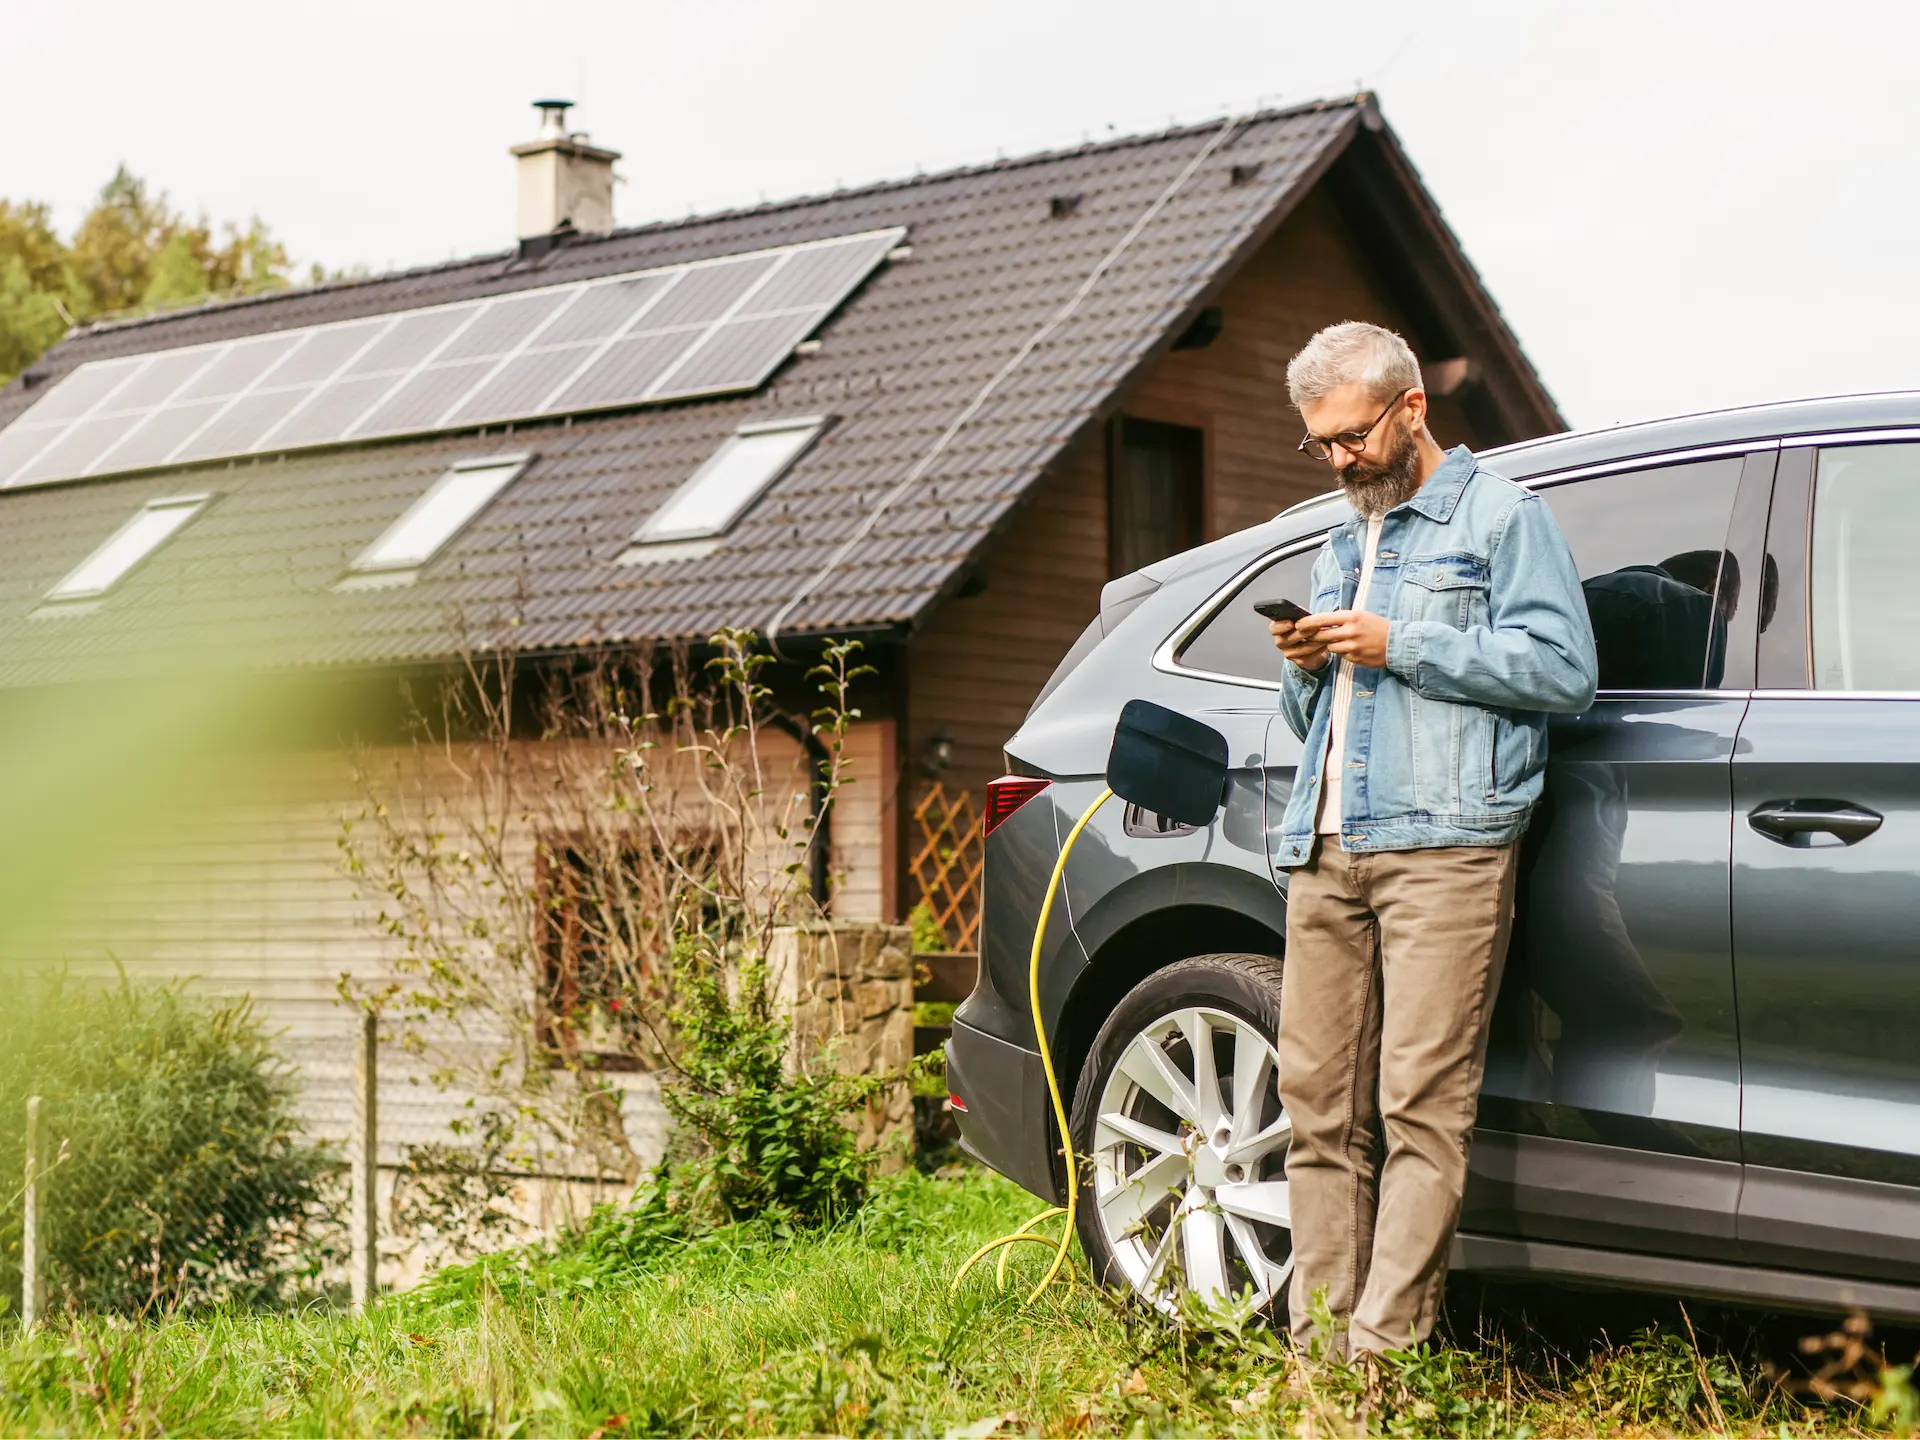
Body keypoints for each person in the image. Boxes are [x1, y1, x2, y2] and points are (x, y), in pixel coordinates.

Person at [1267, 321, 1597, 1358]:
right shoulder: (1338, 539)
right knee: (1316, 1112)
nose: (1338, 461)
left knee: (1420, 1111)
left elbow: (1562, 672)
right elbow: (1303, 720)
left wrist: (1400, 641)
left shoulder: (1505, 521)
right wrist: (1306, 663)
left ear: (1413, 407)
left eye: (1352, 437)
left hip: (1447, 850)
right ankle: (1316, 1358)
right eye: (1318, 444)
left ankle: (1379, 1363)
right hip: (1324, 848)